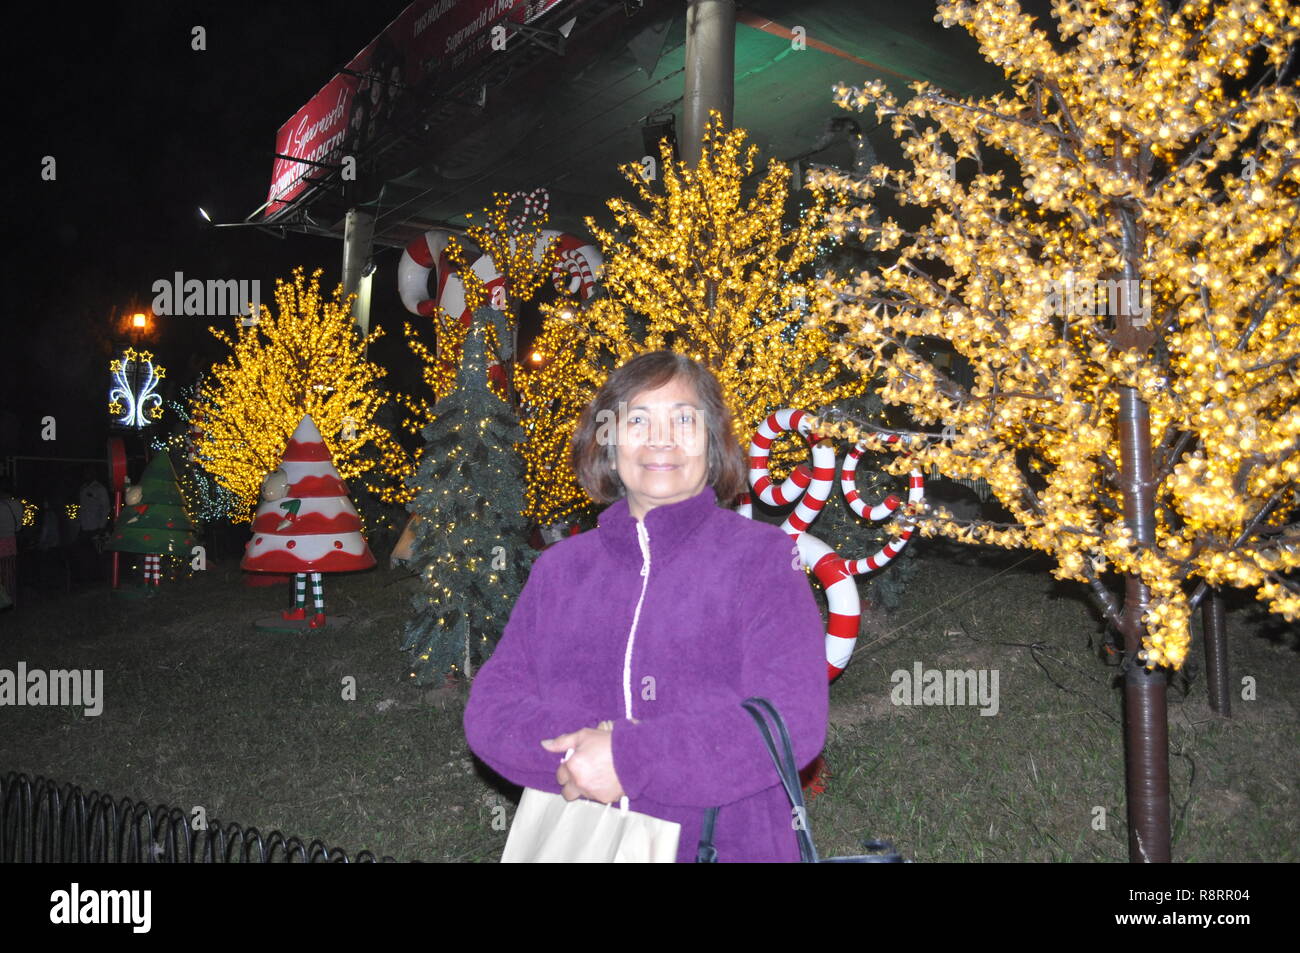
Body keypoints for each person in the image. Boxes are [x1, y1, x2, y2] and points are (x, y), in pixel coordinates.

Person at [463, 351, 828, 862]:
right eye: (637, 419)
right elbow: (492, 710)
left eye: (684, 419)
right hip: (583, 840)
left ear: (713, 444)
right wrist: (579, 760)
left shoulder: (762, 560)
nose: (662, 439)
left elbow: (789, 721)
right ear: (608, 446)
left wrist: (630, 761)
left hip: (727, 843)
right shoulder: (561, 571)